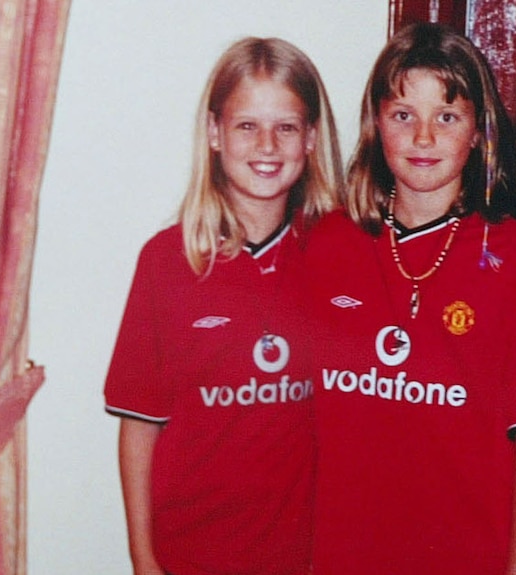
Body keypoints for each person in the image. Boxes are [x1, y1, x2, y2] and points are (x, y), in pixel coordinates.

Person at [305, 22, 516, 575]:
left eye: (447, 116)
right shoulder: (328, 243)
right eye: (403, 114)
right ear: (376, 124)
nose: (424, 137)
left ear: (479, 132)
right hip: (340, 555)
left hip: (466, 555)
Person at [104, 36, 342, 575]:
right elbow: (140, 427)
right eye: (246, 125)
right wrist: (144, 559)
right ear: (214, 133)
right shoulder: (167, 260)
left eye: (286, 126)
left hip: (304, 556)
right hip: (191, 553)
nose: (267, 145)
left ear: (310, 138)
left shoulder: (337, 255)